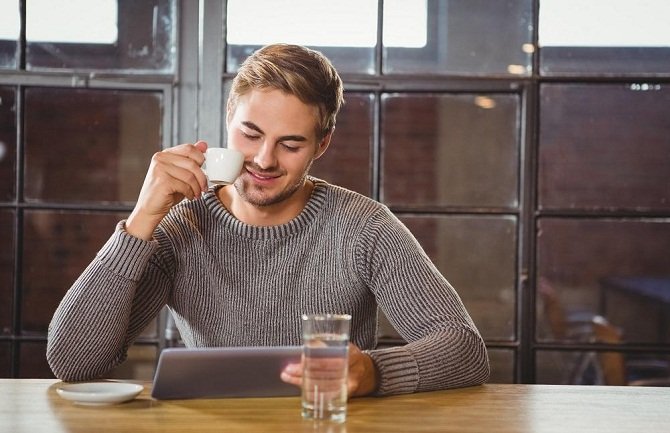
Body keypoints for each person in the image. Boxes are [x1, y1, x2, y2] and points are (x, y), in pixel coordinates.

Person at [47, 43, 489, 396]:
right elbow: (74, 360)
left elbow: (465, 349)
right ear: (228, 118)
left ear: (322, 144)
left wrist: (373, 372)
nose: (263, 159)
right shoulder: (178, 229)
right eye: (250, 133)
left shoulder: (365, 227)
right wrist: (142, 219)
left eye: (290, 144)